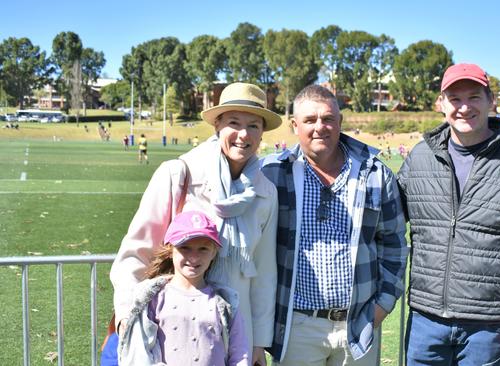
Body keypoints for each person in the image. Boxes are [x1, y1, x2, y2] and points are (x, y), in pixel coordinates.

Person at [397, 63, 500, 365]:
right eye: (455, 98)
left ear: (491, 101)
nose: (464, 107)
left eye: (474, 97)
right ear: (441, 103)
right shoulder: (420, 157)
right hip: (426, 320)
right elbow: (385, 219)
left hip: (489, 326)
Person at [111, 82, 281, 366]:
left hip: (236, 334)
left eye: (253, 125)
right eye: (234, 122)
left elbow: (263, 274)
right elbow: (135, 254)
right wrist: (128, 321)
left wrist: (258, 343)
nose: (243, 134)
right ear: (217, 125)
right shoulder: (179, 173)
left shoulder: (266, 192)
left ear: (263, 132)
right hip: (172, 328)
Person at [261, 85, 408, 365]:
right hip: (297, 326)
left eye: (328, 118)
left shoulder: (375, 174)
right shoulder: (272, 173)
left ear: (340, 122)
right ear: (294, 125)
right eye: (310, 120)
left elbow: (395, 246)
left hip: (358, 324)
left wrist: (381, 308)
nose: (320, 127)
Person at [118, 210, 249, 365]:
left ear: (214, 252)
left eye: (203, 249)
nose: (194, 257)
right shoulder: (152, 298)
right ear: (170, 249)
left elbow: (240, 355)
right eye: (185, 248)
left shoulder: (226, 303)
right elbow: (140, 353)